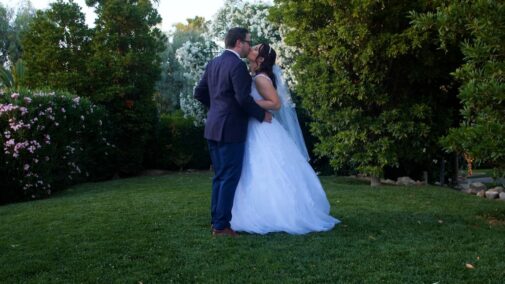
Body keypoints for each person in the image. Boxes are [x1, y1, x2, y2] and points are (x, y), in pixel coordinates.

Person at [230, 43, 340, 234]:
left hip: (261, 129)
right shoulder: (256, 76)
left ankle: (275, 212)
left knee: (265, 168)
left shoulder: (261, 79)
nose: (252, 50)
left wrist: (249, 103)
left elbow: (276, 104)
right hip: (256, 126)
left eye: (256, 49)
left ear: (261, 59)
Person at [194, 28, 273, 237]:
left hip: (213, 127)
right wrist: (261, 114)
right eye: (249, 41)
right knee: (229, 178)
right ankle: (221, 227)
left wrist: (217, 108)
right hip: (230, 130)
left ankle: (216, 222)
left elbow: (199, 93)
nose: (250, 45)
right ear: (239, 43)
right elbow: (242, 99)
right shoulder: (237, 65)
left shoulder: (214, 63)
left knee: (220, 177)